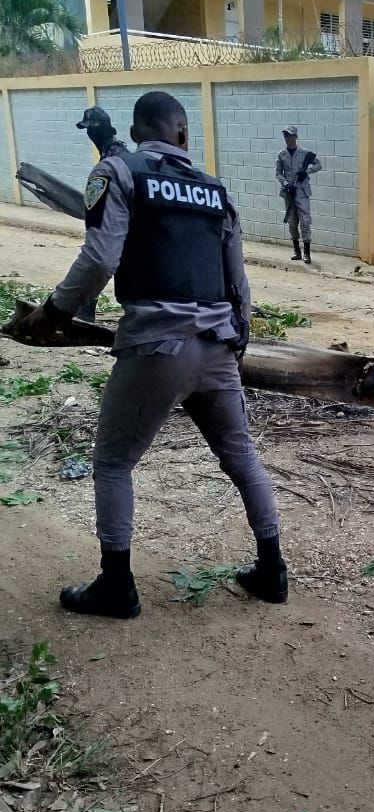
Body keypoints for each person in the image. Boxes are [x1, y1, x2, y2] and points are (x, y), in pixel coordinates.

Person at [10, 91, 287, 619]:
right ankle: (272, 570)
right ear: (183, 134)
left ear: (138, 133)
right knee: (242, 457)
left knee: (113, 462)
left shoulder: (119, 172)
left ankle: (117, 586)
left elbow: (99, 258)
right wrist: (237, 339)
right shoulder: (216, 190)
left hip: (158, 345)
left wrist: (53, 313)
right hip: (218, 347)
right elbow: (238, 283)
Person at [74, 108, 130, 323]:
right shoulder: (114, 152)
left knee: (101, 258)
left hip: (122, 222)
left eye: (91, 129)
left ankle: (84, 310)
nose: (89, 134)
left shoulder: (114, 157)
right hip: (122, 221)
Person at [275, 126, 321, 264]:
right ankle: (297, 251)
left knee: (305, 221)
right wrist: (285, 183)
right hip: (289, 192)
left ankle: (307, 253)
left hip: (302, 191)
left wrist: (307, 172)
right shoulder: (282, 154)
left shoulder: (305, 153)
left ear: (296, 137)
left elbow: (318, 165)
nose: (288, 139)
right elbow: (278, 173)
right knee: (292, 222)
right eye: (286, 136)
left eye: (290, 136)